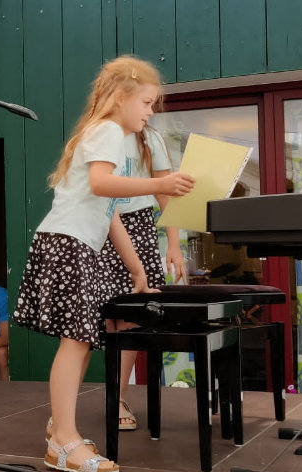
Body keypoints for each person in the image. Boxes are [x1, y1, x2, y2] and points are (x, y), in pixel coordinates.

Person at [13, 56, 194, 472]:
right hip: (68, 243)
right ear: (120, 97)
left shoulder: (104, 134)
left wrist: (136, 269)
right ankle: (64, 440)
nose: (150, 112)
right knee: (75, 344)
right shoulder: (109, 130)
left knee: (78, 343)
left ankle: (61, 433)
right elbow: (100, 184)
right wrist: (160, 183)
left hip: (74, 243)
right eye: (146, 103)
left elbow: (109, 214)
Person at [97, 126, 187, 431]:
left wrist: (173, 244)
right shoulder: (98, 133)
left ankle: (118, 397)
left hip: (138, 224)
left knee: (131, 315)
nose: (148, 109)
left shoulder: (150, 137)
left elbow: (165, 193)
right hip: (99, 222)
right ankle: (110, 393)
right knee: (106, 316)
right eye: (144, 103)